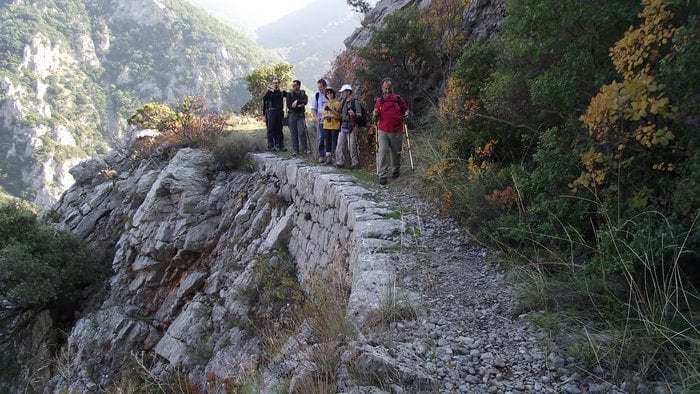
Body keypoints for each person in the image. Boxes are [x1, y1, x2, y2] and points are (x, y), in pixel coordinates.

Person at [373, 78, 409, 185]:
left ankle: (396, 170)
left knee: (396, 152)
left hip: (397, 130)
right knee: (383, 151)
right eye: (386, 88)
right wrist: (375, 114)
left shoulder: (398, 99)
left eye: (389, 88)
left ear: (392, 88)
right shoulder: (380, 100)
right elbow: (375, 116)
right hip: (383, 130)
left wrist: (406, 113)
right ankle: (382, 175)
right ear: (382, 88)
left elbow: (405, 109)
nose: (388, 91)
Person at [335, 84, 362, 169]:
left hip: (353, 125)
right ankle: (340, 162)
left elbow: (359, 114)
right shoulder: (342, 102)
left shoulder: (355, 101)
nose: (342, 94)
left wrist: (354, 114)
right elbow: (339, 114)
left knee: (352, 146)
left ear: (348, 92)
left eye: (343, 92)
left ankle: (355, 163)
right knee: (339, 144)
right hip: (343, 125)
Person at [285, 79, 309, 156]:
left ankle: (305, 149)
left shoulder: (303, 94)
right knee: (293, 133)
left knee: (301, 132)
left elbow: (305, 101)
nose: (293, 87)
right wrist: (299, 105)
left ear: (299, 86)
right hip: (292, 115)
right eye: (293, 85)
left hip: (300, 116)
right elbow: (290, 106)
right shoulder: (289, 95)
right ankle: (295, 151)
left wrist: (296, 102)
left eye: (295, 85)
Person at [263, 77, 287, 151]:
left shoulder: (281, 92)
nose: (275, 84)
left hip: (279, 112)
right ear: (272, 84)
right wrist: (264, 114)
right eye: (274, 83)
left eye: (276, 83)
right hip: (271, 112)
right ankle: (270, 145)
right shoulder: (269, 92)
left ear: (279, 84)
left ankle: (280, 145)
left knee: (279, 129)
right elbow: (264, 99)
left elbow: (288, 96)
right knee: (270, 129)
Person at [322, 87, 341, 165]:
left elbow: (339, 116)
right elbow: (324, 114)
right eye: (327, 93)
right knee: (328, 142)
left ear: (333, 94)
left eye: (330, 93)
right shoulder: (326, 104)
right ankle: (328, 158)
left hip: (334, 126)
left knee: (334, 142)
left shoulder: (337, 103)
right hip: (326, 125)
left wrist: (331, 116)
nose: (329, 95)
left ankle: (335, 158)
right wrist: (324, 117)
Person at [310, 78, 328, 162]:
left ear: (325, 86)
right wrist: (316, 117)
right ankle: (321, 155)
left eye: (321, 87)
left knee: (329, 137)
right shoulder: (317, 95)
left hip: (329, 119)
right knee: (321, 137)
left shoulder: (330, 94)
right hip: (320, 120)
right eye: (318, 87)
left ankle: (329, 155)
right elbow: (313, 109)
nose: (320, 89)